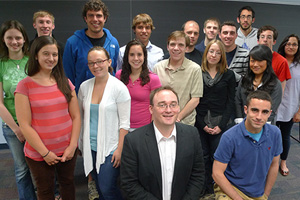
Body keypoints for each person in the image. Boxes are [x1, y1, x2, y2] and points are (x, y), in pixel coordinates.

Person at [14, 36, 81, 199]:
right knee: (45, 190)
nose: (51, 59)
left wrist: (72, 146)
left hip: (67, 150)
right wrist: (45, 153)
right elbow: (25, 125)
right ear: (36, 55)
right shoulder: (25, 85)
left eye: (55, 54)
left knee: (68, 184)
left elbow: (76, 116)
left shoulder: (65, 82)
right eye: (46, 54)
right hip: (39, 153)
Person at [121, 86, 205, 200]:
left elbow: (198, 176)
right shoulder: (133, 141)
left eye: (173, 104)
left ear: (178, 108)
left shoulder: (192, 135)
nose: (169, 110)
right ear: (151, 109)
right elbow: (129, 183)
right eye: (162, 105)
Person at [78, 46, 130, 200]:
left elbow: (124, 123)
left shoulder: (119, 88)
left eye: (100, 61)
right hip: (90, 147)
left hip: (110, 148)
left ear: (109, 62)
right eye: (91, 63)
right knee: (99, 187)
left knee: (108, 188)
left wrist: (120, 149)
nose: (96, 66)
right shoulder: (84, 87)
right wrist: (80, 142)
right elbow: (81, 117)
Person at [213, 90, 282, 200]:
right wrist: (237, 198)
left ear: (270, 113)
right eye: (255, 110)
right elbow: (217, 173)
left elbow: (274, 165)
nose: (259, 117)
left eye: (264, 112)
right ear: (246, 110)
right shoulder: (230, 137)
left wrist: (266, 195)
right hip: (232, 189)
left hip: (258, 192)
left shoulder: (275, 133)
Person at [0, 20, 36, 200]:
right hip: (12, 126)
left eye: (18, 38)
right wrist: (16, 128)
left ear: (24, 39)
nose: (14, 42)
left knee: (39, 164)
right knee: (22, 168)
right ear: (3, 40)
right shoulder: (0, 64)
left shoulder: (33, 61)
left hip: (35, 123)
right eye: (10, 38)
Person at [195, 39, 235, 197]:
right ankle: (205, 186)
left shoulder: (229, 75)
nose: (214, 55)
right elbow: (194, 100)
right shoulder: (197, 72)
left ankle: (216, 185)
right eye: (211, 51)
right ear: (206, 53)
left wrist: (221, 125)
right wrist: (201, 124)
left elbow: (231, 101)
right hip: (201, 122)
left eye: (218, 52)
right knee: (203, 156)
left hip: (221, 122)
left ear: (222, 55)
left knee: (216, 157)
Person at [63, 0, 119, 93]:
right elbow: (68, 76)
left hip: (109, 98)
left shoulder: (113, 43)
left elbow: (115, 72)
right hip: (82, 99)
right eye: (91, 15)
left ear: (105, 18)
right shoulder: (72, 43)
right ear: (85, 18)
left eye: (99, 15)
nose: (95, 19)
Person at [154, 31, 203, 126]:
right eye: (172, 44)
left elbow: (195, 99)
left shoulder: (195, 69)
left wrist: (178, 118)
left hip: (185, 124)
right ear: (168, 47)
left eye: (181, 45)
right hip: (161, 123)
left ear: (186, 48)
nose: (176, 48)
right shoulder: (158, 68)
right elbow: (155, 97)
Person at [116, 40, 161, 130]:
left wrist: (151, 130)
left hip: (143, 129)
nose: (136, 58)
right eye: (132, 55)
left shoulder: (153, 79)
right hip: (121, 128)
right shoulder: (119, 75)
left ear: (144, 56)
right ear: (126, 57)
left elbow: (157, 107)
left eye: (139, 54)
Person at [235, 45, 282, 124]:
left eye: (259, 61)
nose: (255, 65)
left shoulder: (275, 83)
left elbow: (272, 108)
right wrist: (240, 120)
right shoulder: (244, 80)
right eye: (252, 61)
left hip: (265, 125)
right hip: (243, 124)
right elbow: (238, 100)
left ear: (268, 62)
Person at [276, 34, 300, 176]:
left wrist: (299, 111)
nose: (291, 47)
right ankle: (269, 162)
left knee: (285, 135)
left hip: (291, 107)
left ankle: (283, 162)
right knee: (270, 135)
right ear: (283, 45)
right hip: (274, 105)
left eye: (294, 44)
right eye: (288, 43)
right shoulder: (277, 60)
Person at [257, 25, 291, 92]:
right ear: (258, 41)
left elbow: (281, 89)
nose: (265, 40)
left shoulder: (282, 61)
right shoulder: (251, 59)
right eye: (262, 37)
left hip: (271, 100)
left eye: (269, 37)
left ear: (274, 42)